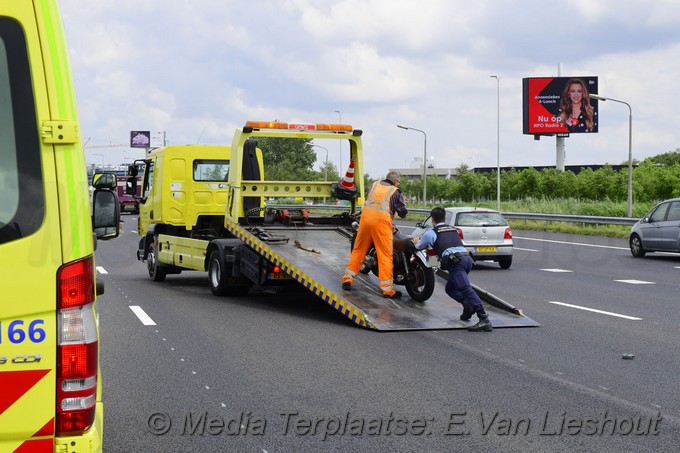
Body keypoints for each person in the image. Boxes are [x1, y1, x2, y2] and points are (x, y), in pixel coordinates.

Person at [412, 207, 492, 332]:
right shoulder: (453, 229)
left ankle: (484, 319)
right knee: (450, 288)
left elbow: (418, 247)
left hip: (457, 263)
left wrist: (416, 241)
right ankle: (467, 307)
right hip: (467, 260)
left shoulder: (431, 233)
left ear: (432, 220)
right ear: (444, 218)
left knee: (466, 289)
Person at [342, 170, 408, 298]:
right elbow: (402, 213)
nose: (398, 185)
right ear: (395, 181)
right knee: (385, 255)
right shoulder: (395, 191)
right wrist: (403, 203)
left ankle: (347, 280)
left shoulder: (374, 185)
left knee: (358, 250)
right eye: (398, 183)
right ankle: (387, 290)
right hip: (381, 223)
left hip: (365, 219)